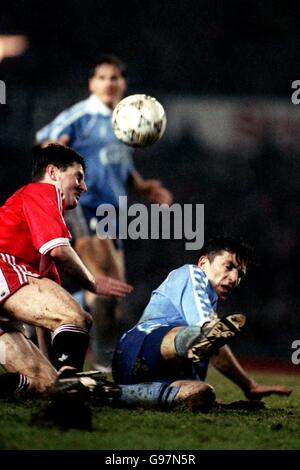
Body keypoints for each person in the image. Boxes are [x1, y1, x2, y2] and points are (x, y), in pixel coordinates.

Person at [35, 54, 173, 372]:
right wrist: (58, 152)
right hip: (85, 208)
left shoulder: (125, 118)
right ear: (91, 83)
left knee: (112, 297)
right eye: (102, 77)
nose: (109, 83)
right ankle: (102, 361)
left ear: (123, 83)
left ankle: (49, 313)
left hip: (114, 216)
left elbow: (119, 166)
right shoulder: (82, 115)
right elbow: (44, 143)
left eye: (115, 78)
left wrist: (143, 188)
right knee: (105, 287)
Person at [0, 143, 132, 394]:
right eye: (78, 176)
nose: (83, 186)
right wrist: (93, 282)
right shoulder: (42, 192)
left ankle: (63, 390)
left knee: (43, 381)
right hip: (2, 268)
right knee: (78, 318)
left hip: (6, 291)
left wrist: (58, 371)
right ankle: (70, 398)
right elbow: (60, 251)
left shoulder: (37, 259)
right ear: (53, 173)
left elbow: (45, 321)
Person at [111, 236, 292, 410]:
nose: (234, 278)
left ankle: (113, 393)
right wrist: (211, 332)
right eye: (229, 266)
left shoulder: (208, 306)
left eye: (240, 274)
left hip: (154, 377)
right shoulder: (192, 273)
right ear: (203, 263)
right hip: (137, 351)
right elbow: (208, 333)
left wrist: (249, 386)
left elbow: (215, 343)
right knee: (205, 332)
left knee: (202, 393)